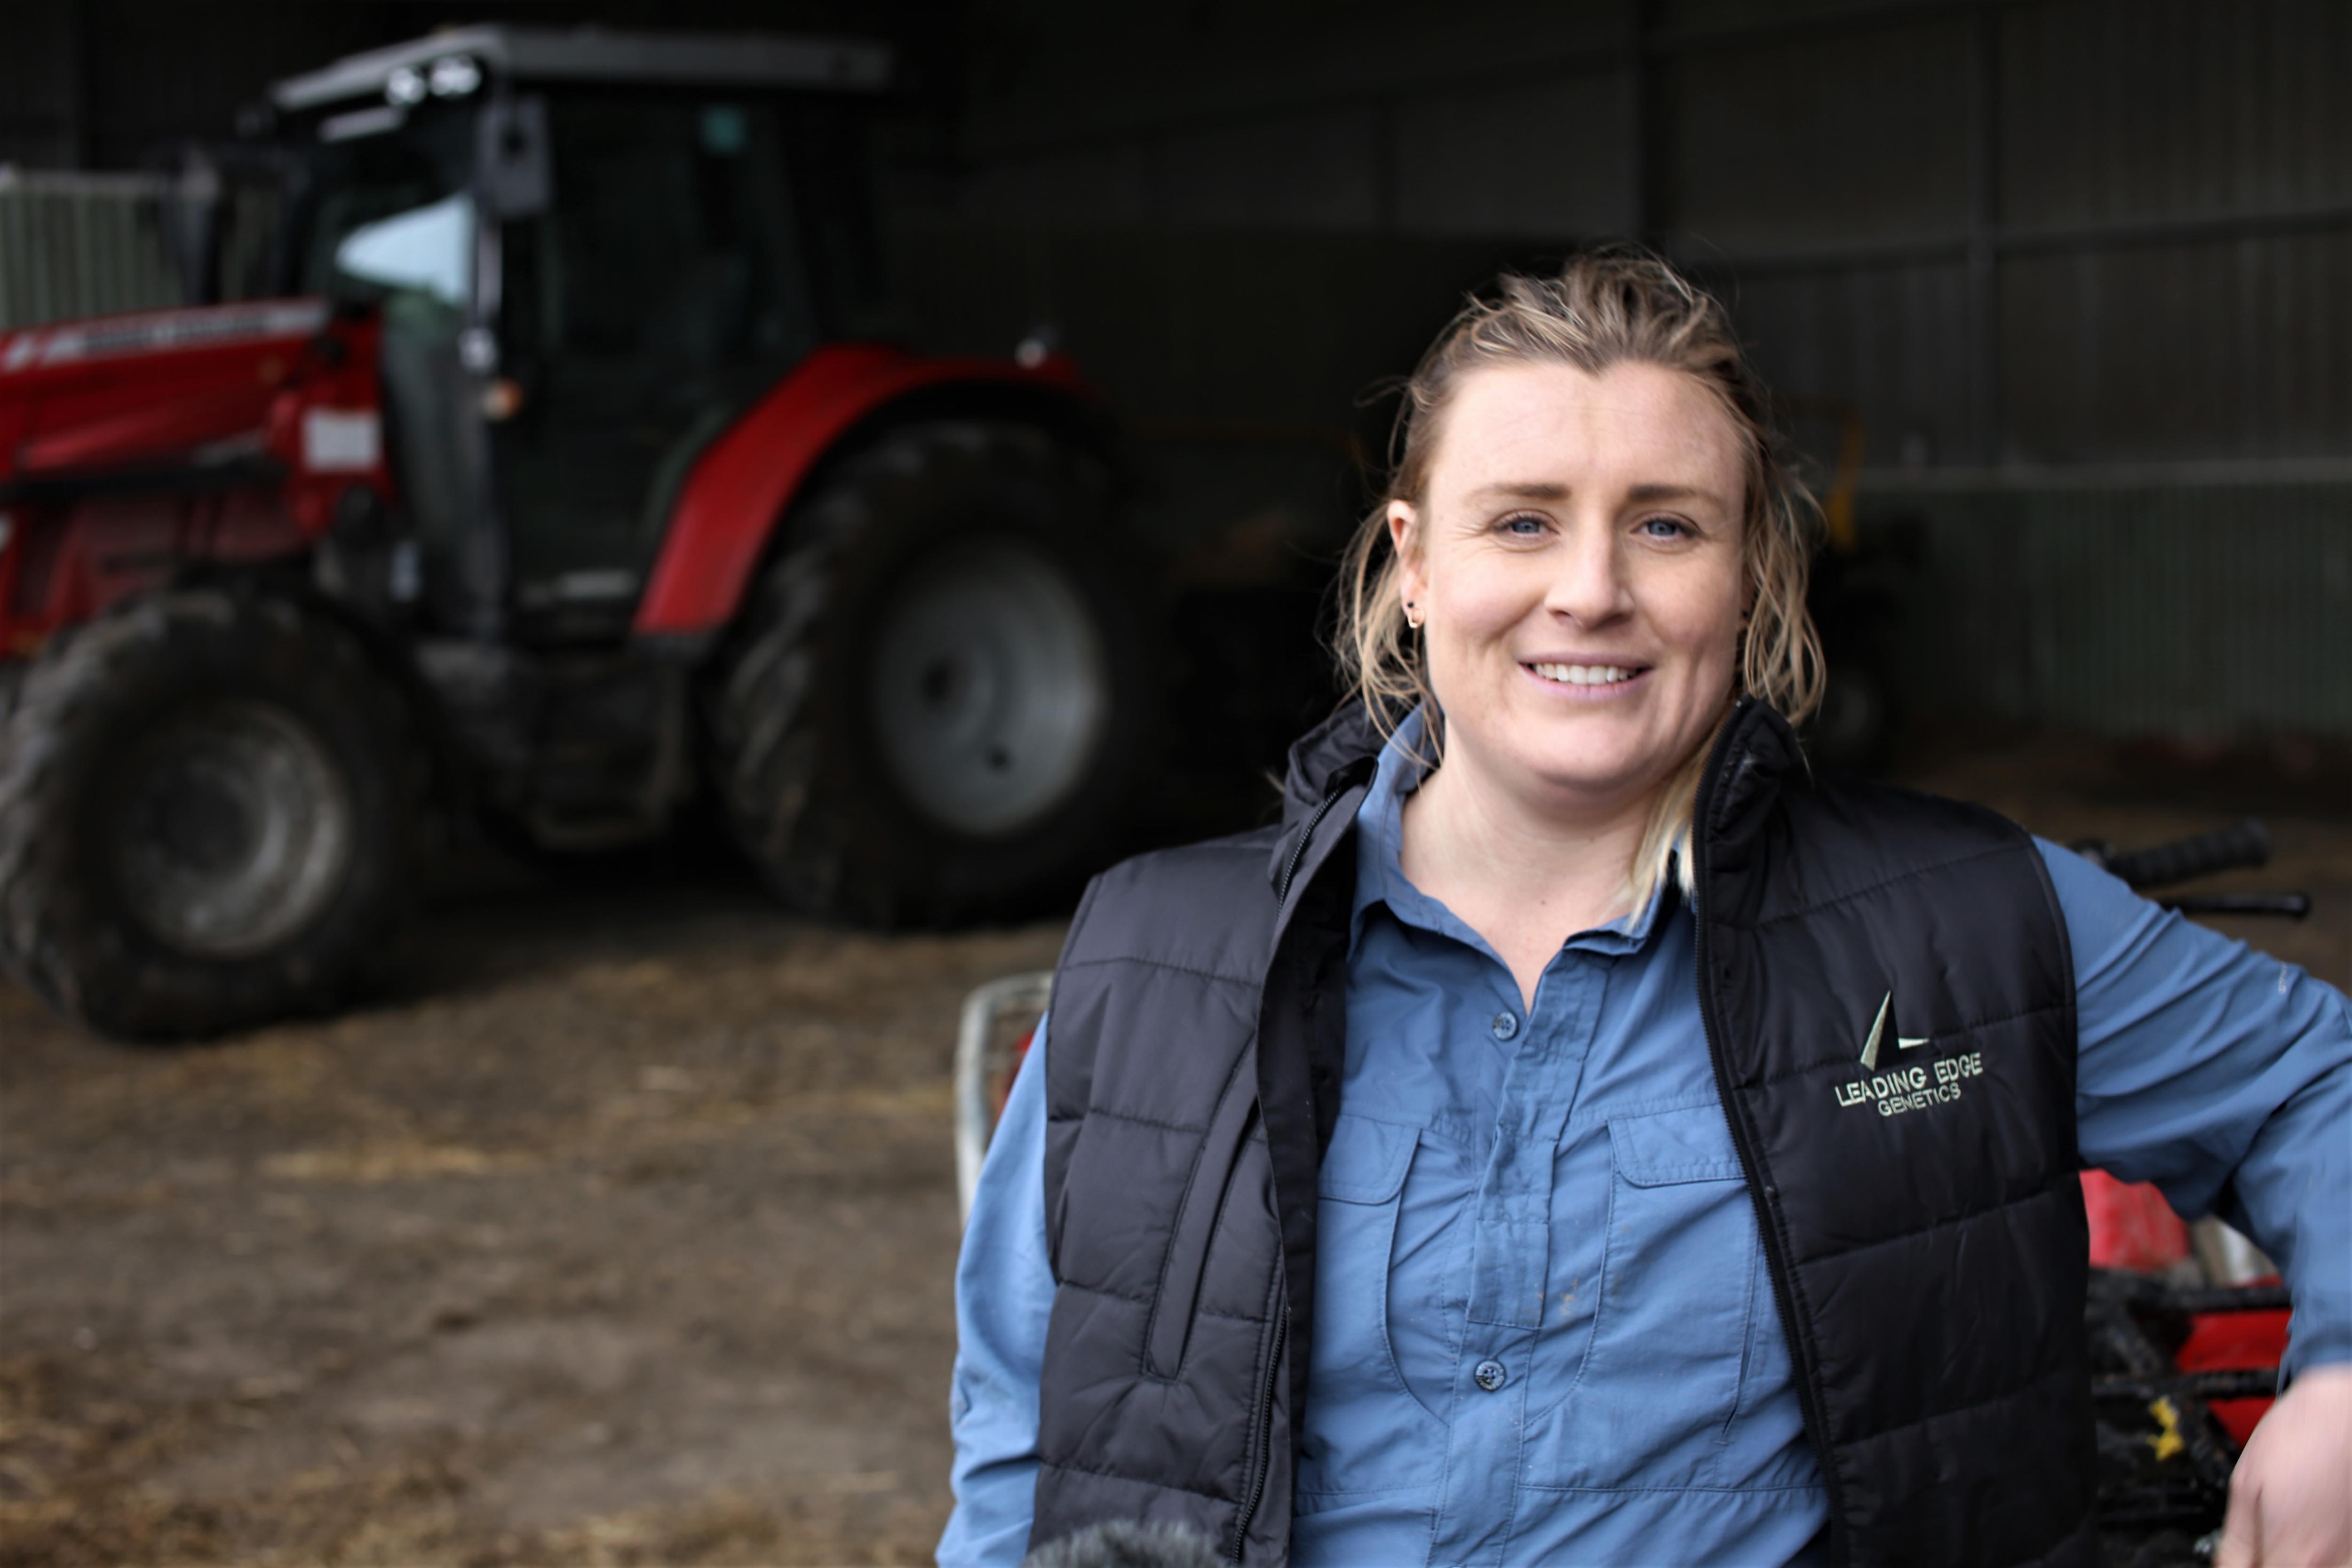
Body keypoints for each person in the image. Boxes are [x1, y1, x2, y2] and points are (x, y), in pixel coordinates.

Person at [941, 255, 2351, 1568]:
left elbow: (2320, 1083)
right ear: (1415, 564)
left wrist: (2346, 1379)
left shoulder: (1963, 928)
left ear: (1748, 579)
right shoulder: (1152, 964)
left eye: (1666, 526)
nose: (1593, 591)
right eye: (1524, 521)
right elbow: (1023, 1452)